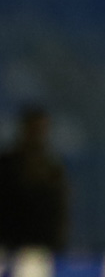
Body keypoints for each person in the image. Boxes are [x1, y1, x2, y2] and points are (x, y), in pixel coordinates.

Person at [0, 105, 71, 252]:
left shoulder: (53, 170)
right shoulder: (6, 165)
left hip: (44, 251)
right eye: (33, 129)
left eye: (41, 129)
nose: (37, 134)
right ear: (24, 130)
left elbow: (59, 213)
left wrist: (56, 246)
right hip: (9, 249)